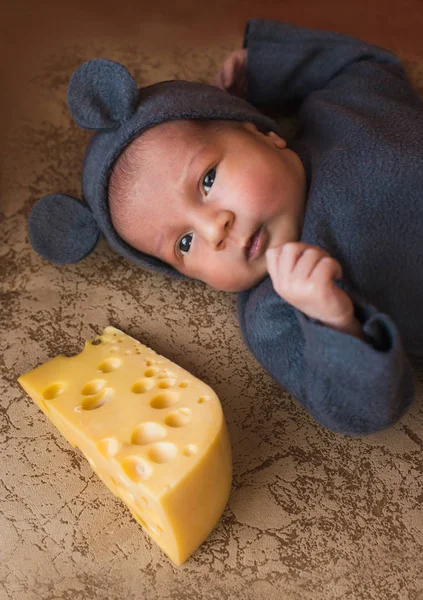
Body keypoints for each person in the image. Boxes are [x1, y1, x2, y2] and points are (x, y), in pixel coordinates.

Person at [28, 19, 423, 435]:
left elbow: (368, 63)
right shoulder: (278, 311)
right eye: (184, 243)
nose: (215, 231)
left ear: (262, 133)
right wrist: (334, 321)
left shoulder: (340, 109)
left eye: (208, 181)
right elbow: (360, 411)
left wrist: (265, 68)